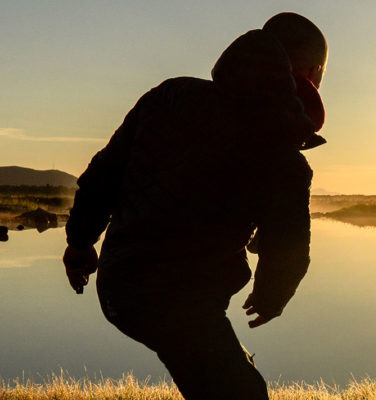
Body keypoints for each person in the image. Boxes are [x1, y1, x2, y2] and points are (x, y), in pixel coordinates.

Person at [62, 12, 327, 400]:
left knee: (218, 372)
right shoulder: (284, 156)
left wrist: (80, 241)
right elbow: (288, 243)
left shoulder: (170, 95)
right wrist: (273, 293)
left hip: (120, 287)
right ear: (313, 73)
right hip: (182, 303)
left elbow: (104, 174)